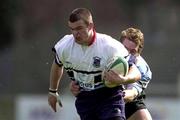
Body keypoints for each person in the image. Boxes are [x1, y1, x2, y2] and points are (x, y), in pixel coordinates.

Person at [48, 8, 141, 120]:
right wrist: (53, 91)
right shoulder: (64, 46)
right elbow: (57, 64)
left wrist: (123, 80)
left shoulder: (109, 46)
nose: (75, 34)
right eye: (72, 29)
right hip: (85, 98)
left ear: (90, 26)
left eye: (79, 28)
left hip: (109, 96)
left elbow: (135, 72)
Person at [70, 28, 152, 120]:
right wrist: (78, 85)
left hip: (128, 102)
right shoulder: (109, 54)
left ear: (139, 52)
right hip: (104, 99)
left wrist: (121, 81)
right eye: (125, 48)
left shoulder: (142, 69)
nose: (127, 53)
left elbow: (131, 94)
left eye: (132, 51)